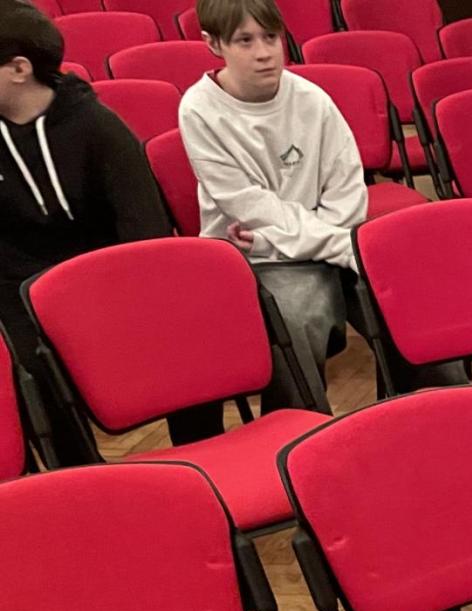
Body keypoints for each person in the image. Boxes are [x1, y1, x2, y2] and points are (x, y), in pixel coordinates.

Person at [0, 0, 207, 464]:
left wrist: (100, 297)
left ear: (19, 69)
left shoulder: (97, 127)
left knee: (186, 333)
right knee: (22, 365)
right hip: (23, 293)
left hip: (110, 281)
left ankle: (199, 456)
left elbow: (145, 233)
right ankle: (79, 475)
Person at [180, 0, 362, 412]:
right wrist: (343, 247)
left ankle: (434, 414)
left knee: (402, 293)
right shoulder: (199, 110)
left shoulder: (313, 100)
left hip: (315, 241)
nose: (264, 53)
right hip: (259, 258)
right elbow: (251, 208)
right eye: (245, 41)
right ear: (213, 44)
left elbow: (347, 193)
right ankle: (301, 434)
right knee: (296, 315)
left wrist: (332, 243)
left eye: (270, 37)